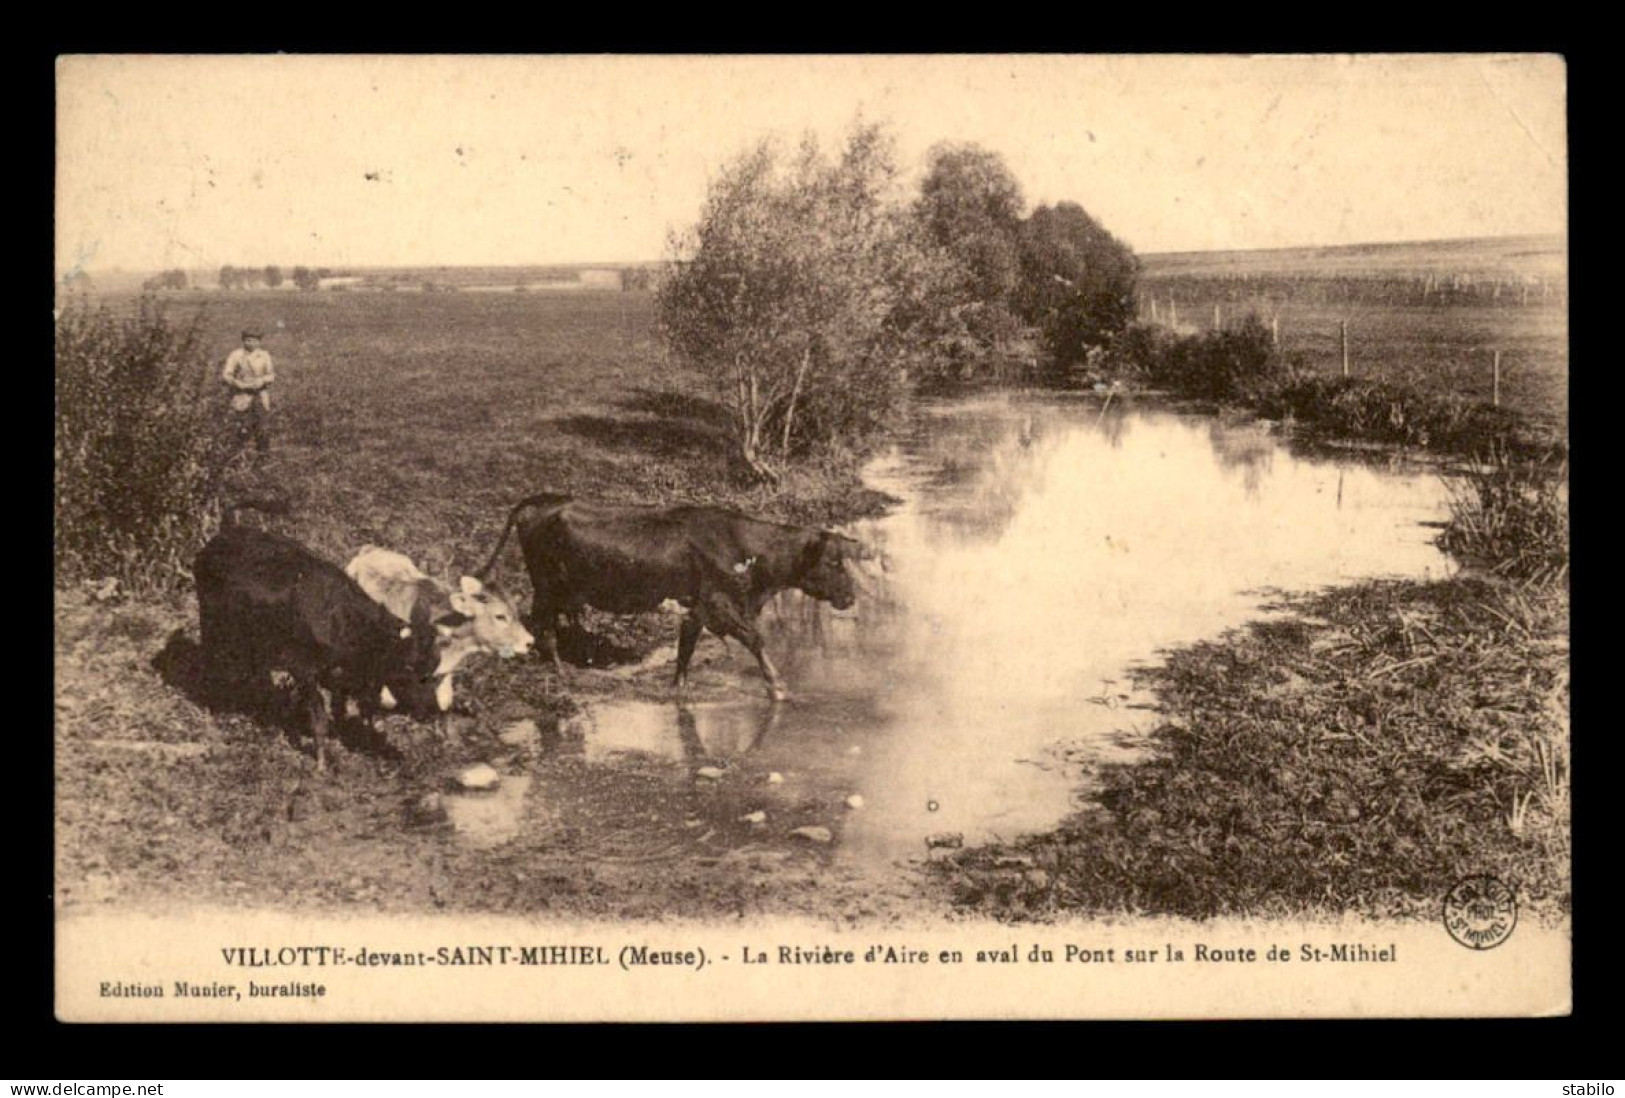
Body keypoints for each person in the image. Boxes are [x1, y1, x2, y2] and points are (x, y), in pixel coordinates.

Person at [222, 328, 275, 453]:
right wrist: (238, 383)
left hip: (259, 395)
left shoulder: (264, 355)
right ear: (243, 341)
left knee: (262, 427)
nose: (250, 343)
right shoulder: (236, 355)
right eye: (248, 340)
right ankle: (237, 455)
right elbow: (226, 374)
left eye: (254, 341)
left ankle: (262, 455)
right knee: (241, 427)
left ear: (259, 342)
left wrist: (262, 381)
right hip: (241, 395)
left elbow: (271, 375)